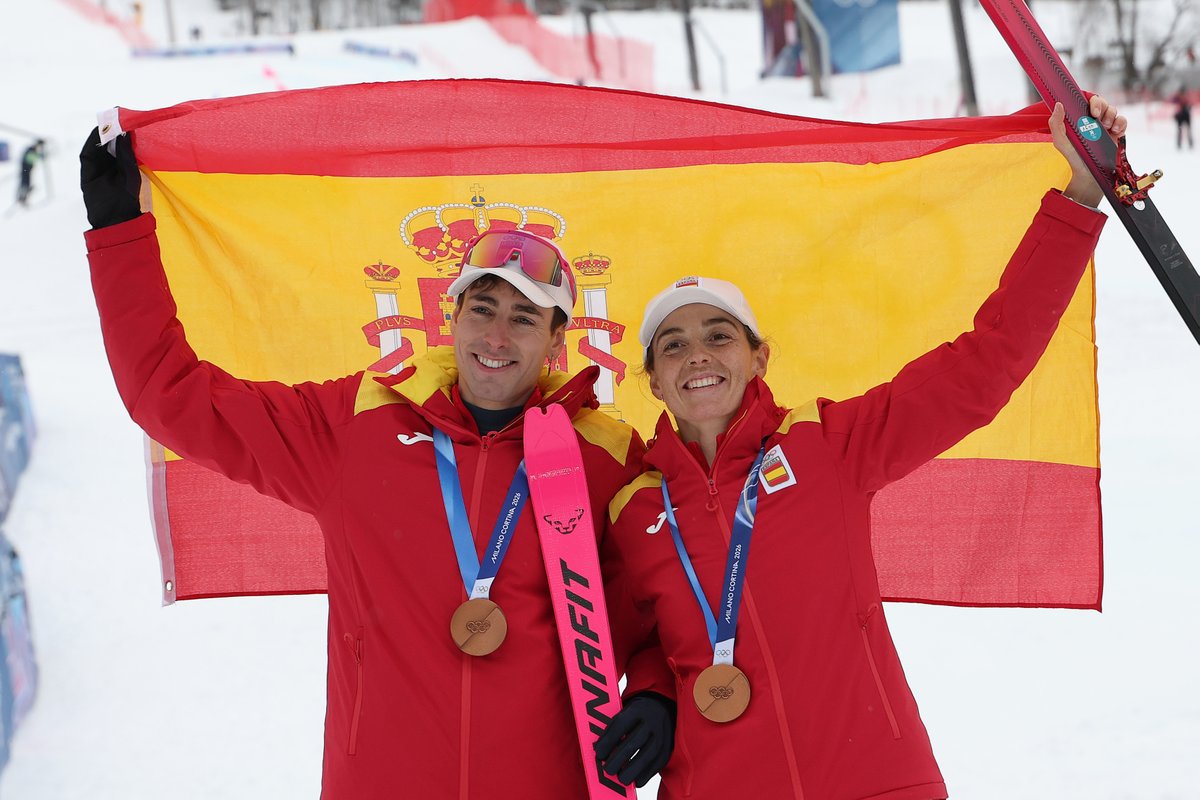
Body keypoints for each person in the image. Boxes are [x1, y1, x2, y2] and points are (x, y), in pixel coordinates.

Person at [79, 128, 675, 798]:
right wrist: (117, 232)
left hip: (544, 782)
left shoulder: (606, 458)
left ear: (557, 338)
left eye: (525, 318)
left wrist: (656, 695)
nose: (498, 338)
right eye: (483, 309)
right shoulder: (356, 426)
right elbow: (172, 396)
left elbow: (668, 612)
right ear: (451, 315)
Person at [595, 97, 1122, 799]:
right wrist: (656, 694)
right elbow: (629, 641)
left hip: (874, 779)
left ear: (758, 360)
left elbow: (984, 368)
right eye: (674, 345)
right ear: (653, 382)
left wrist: (1081, 194)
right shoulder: (634, 508)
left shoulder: (827, 446)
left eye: (719, 335)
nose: (698, 355)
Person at [16, 139, 45, 207]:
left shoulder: (34, 150)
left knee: (27, 183)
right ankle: (22, 198)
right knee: (25, 183)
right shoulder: (31, 149)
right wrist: (40, 156)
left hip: (27, 170)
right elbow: (29, 158)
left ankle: (24, 198)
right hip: (25, 169)